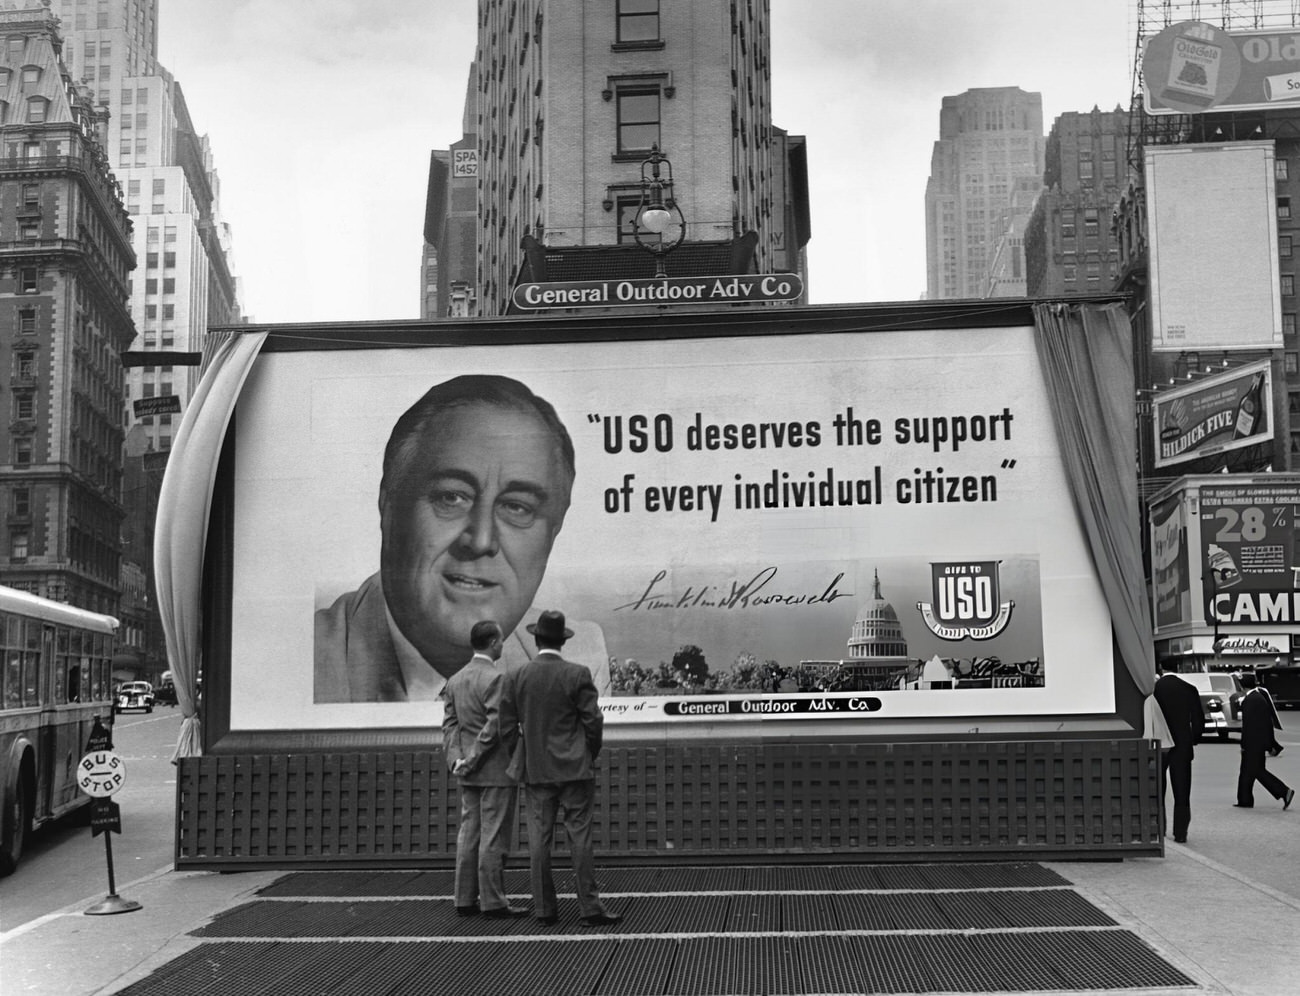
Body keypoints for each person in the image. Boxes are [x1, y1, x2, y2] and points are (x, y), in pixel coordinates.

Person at [314, 374, 610, 702]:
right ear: (389, 508)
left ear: (554, 531)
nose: (482, 540)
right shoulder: (303, 661)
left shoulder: (578, 659)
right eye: (451, 497)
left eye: (517, 507)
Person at [500, 609, 621, 928]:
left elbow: (506, 726)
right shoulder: (578, 674)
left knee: (539, 841)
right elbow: (593, 721)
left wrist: (524, 756)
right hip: (575, 769)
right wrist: (587, 752)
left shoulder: (517, 676)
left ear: (536, 638)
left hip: (538, 771)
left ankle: (544, 909)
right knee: (579, 837)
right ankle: (590, 908)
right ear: (562, 641)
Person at [442, 620, 526, 918]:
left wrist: (458, 760)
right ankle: (493, 902)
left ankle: (464, 899)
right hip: (495, 770)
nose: (503, 644)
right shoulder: (496, 678)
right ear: (492, 643)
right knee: (493, 835)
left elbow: (450, 726)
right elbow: (496, 726)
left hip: (467, 772)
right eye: (501, 640)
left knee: (470, 833)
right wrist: (476, 757)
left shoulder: (454, 680)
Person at [1153, 664, 1205, 843]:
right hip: (1182, 745)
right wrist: (1194, 739)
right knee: (1182, 791)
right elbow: (1198, 720)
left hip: (1158, 744)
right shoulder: (1189, 689)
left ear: (1161, 668)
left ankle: (1159, 829)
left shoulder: (1154, 689)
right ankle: (1181, 832)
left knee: (1158, 789)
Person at [1236, 671, 1294, 810]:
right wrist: (1270, 743)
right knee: (1247, 771)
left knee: (1256, 771)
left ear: (1242, 685)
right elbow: (1267, 723)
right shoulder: (1258, 697)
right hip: (1258, 742)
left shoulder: (1251, 700)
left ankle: (1284, 791)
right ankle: (1245, 800)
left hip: (1253, 743)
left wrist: (1244, 743)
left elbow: (1248, 725)